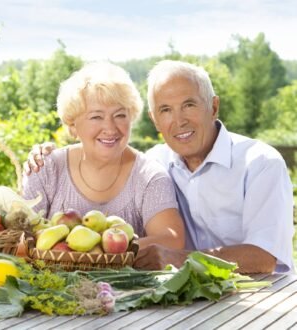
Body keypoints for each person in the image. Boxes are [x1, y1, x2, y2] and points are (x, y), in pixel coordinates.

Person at [25, 60, 295, 274]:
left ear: (213, 107)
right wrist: (43, 154)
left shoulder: (260, 164)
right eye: (165, 110)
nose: (179, 121)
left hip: (261, 299)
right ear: (155, 120)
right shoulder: (159, 160)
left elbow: (265, 258)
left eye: (188, 105)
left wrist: (182, 259)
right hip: (186, 298)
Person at [22, 62, 185, 251]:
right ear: (73, 125)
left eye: (120, 115)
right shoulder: (46, 167)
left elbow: (172, 240)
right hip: (49, 280)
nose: (110, 128)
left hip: (125, 281)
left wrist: (96, 250)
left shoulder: (149, 175)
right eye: (96, 117)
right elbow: (20, 238)